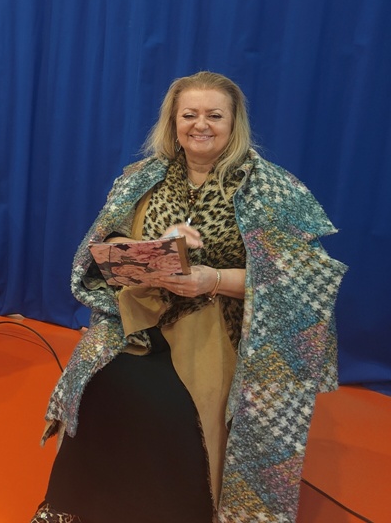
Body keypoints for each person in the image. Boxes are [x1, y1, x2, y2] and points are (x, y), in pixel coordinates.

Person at [30, 72, 346, 523]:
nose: (201, 125)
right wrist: (154, 248)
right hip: (138, 315)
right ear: (173, 122)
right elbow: (103, 253)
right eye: (189, 115)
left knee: (168, 405)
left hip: (224, 327)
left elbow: (301, 282)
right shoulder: (141, 178)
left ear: (234, 123)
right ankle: (75, 507)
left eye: (214, 115)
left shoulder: (272, 190)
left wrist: (211, 279)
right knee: (96, 380)